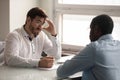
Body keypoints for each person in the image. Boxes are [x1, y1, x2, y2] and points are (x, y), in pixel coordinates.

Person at [57, 14, 120, 80]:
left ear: (96, 29)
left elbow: (61, 72)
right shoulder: (118, 45)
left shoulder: (95, 48)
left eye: (91, 29)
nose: (89, 33)